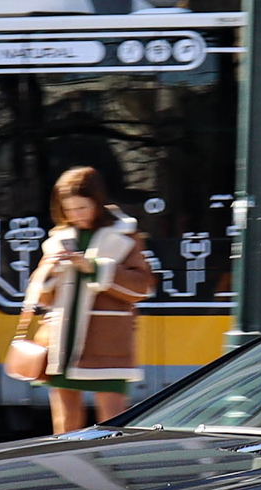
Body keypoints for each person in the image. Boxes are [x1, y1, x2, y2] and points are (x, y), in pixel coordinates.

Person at [16, 166, 158, 435]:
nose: (75, 215)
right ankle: (67, 473)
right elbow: (41, 294)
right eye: (69, 209)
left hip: (107, 346)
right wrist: (50, 270)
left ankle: (115, 475)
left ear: (98, 202)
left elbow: (143, 287)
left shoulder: (125, 235)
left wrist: (93, 267)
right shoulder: (59, 238)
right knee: (65, 427)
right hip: (61, 345)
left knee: (112, 426)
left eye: (82, 207)